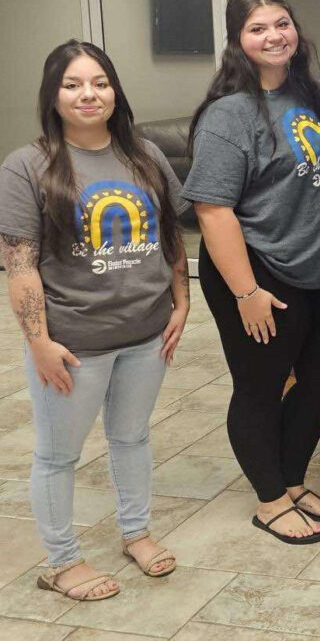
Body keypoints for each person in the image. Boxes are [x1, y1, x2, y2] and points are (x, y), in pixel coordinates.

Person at [0, 40, 188, 600]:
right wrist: (38, 343)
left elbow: (173, 233)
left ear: (114, 91)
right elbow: (21, 265)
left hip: (145, 335)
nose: (89, 94)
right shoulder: (26, 166)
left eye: (100, 82)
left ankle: (136, 533)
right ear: (53, 96)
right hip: (75, 344)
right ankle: (62, 561)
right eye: (73, 84)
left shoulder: (145, 155)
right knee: (59, 454)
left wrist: (180, 299)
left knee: (131, 438)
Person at [183, 0, 320, 546]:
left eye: (281, 23)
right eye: (258, 27)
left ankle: (290, 479)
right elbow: (213, 213)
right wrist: (245, 293)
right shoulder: (228, 116)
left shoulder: (311, 93)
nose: (273, 36)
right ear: (238, 41)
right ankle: (269, 498)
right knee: (259, 386)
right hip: (261, 273)